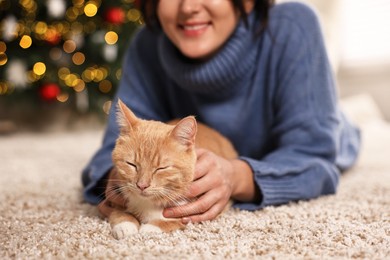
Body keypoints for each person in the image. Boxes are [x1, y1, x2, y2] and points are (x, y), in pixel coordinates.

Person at [82, 0, 360, 224]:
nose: (188, 7)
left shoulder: (294, 26)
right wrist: (121, 183)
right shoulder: (147, 43)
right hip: (188, 143)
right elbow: (105, 157)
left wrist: (237, 176)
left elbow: (317, 161)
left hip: (327, 133)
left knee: (345, 128)